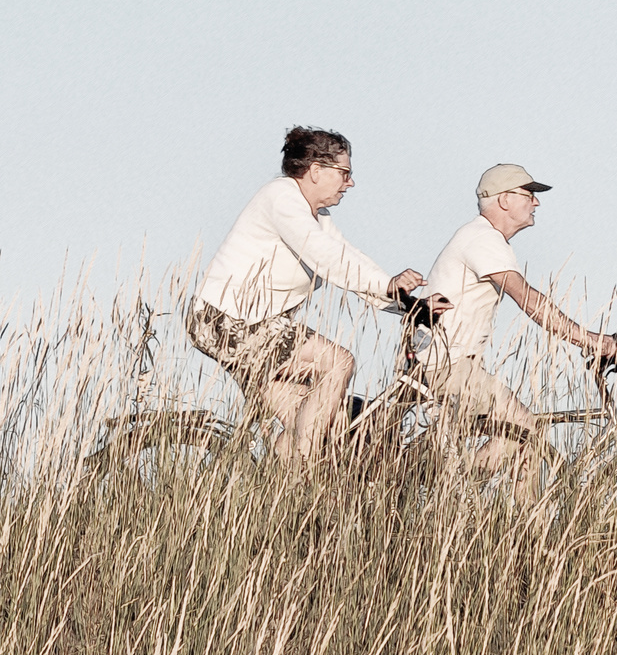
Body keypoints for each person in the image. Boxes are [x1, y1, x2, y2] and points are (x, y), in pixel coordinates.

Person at [188, 126, 441, 459]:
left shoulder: (317, 217)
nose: (350, 183)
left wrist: (409, 305)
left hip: (256, 327)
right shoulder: (281, 197)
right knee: (339, 362)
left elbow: (348, 257)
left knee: (322, 424)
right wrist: (386, 284)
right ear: (316, 170)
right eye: (345, 173)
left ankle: (280, 488)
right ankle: (303, 463)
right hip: (230, 322)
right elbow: (325, 257)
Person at [417, 163, 617, 493]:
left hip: (452, 362)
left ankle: (524, 530)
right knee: (524, 427)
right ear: (503, 200)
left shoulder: (483, 238)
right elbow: (528, 300)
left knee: (525, 437)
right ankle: (450, 498)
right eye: (529, 195)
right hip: (447, 364)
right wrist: (592, 340)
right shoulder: (483, 239)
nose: (536, 203)